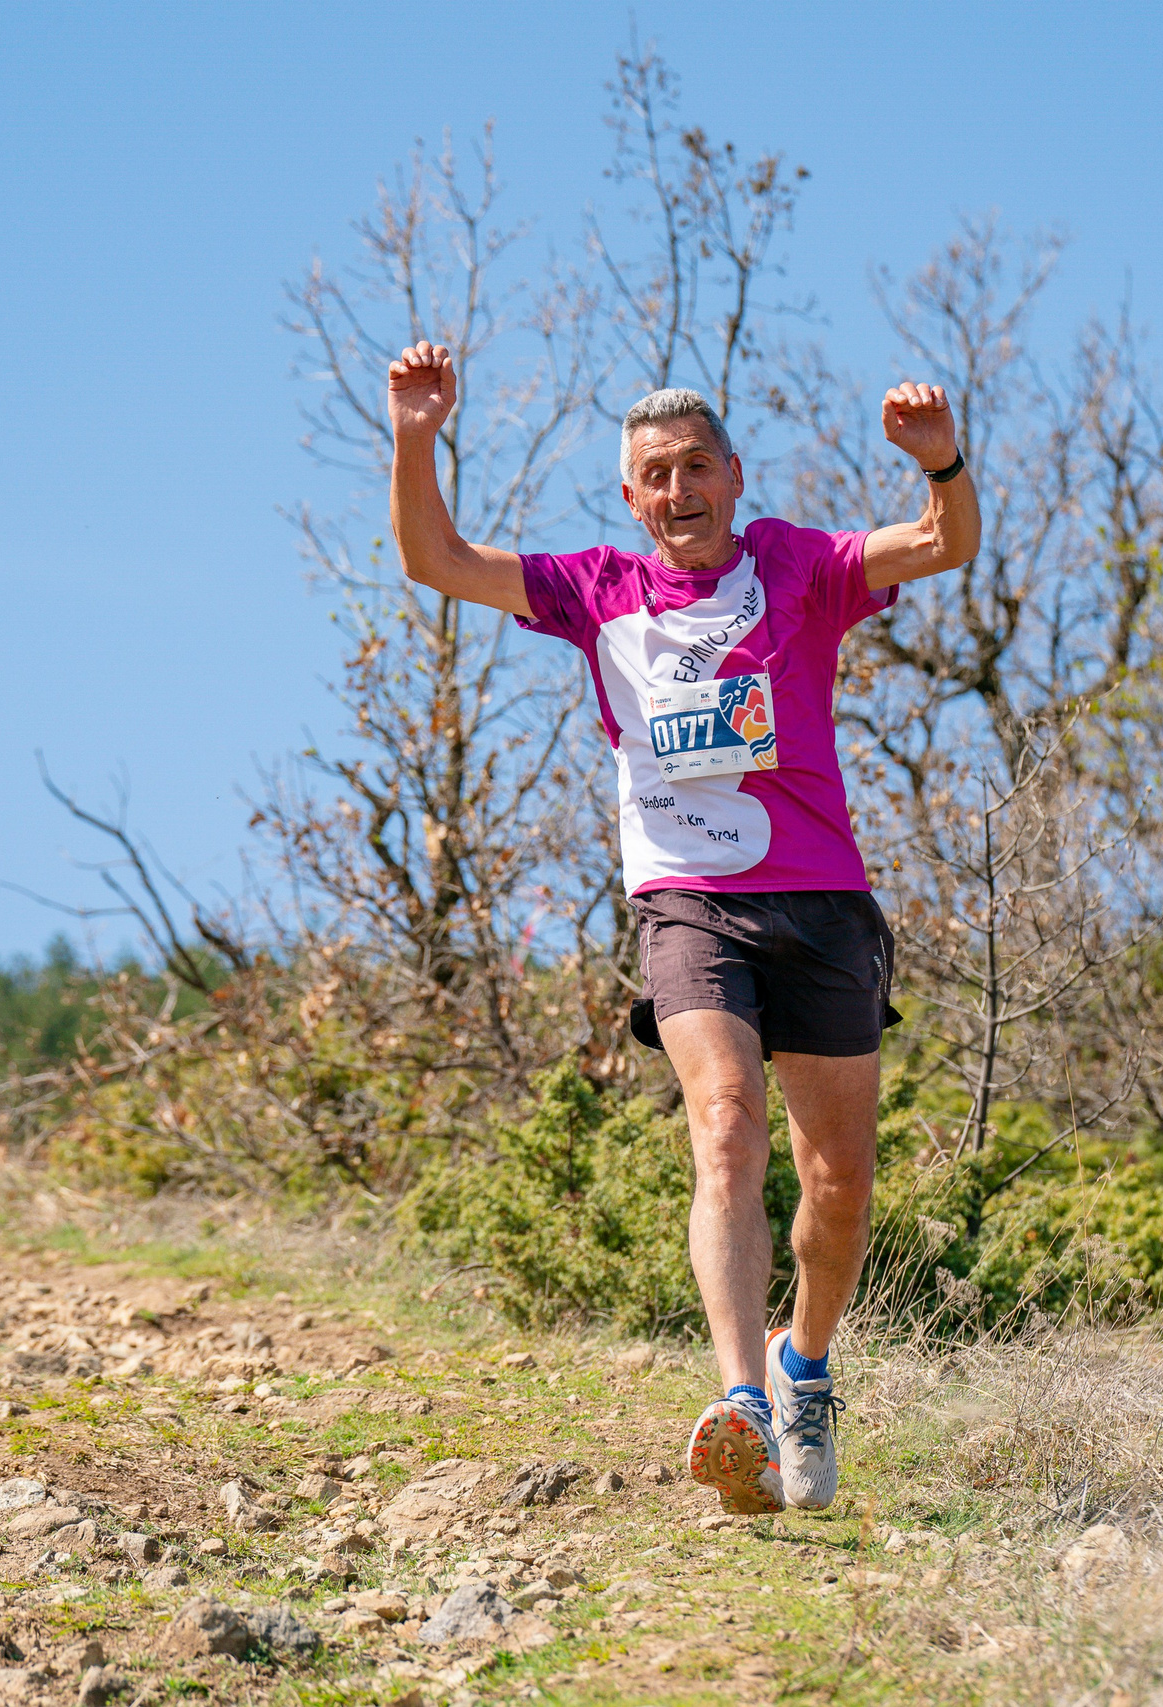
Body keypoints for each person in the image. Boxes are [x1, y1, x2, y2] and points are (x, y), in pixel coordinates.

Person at [385, 345, 979, 1513]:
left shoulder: (800, 567)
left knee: (839, 1182)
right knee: (721, 1128)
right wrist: (417, 434)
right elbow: (433, 560)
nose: (677, 490)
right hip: (684, 903)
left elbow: (944, 543)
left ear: (732, 474)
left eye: (695, 466)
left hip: (821, 903)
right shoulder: (595, 589)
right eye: (654, 475)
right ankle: (741, 1402)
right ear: (630, 498)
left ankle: (803, 1371)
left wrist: (940, 463)